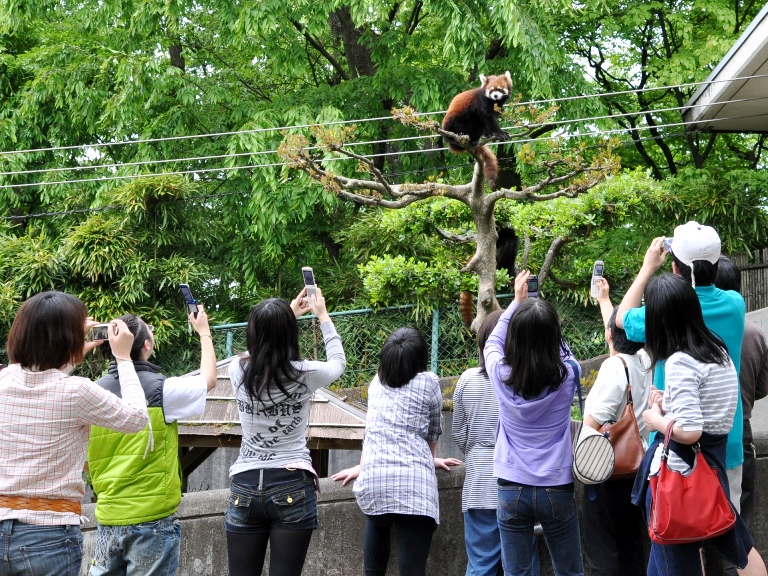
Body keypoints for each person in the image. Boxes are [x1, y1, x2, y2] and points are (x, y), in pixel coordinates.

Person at [0, 291, 150, 576]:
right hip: (48, 533)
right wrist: (124, 359)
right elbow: (137, 419)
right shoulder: (76, 391)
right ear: (68, 339)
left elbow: (42, 380)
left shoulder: (2, 379)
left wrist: (68, 356)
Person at [630, 273, 766, 576]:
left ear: (660, 319)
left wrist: (656, 418)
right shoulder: (716, 348)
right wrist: (669, 400)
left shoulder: (679, 360)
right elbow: (711, 405)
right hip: (712, 465)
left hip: (681, 473)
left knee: (674, 559)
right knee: (739, 547)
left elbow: (690, 432)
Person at [616, 223, 746, 512]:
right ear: (715, 264)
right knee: (730, 529)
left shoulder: (662, 313)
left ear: (675, 269)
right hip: (727, 438)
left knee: (680, 532)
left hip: (673, 439)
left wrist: (647, 268)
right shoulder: (736, 305)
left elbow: (620, 319)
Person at [225, 287, 346, 576]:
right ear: (291, 334)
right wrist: (322, 315)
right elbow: (338, 363)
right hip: (292, 481)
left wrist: (285, 317)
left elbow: (257, 351)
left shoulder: (236, 369)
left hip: (245, 482)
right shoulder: (305, 372)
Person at [87, 308, 217, 576]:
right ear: (146, 345)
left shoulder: (91, 393)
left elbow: (86, 461)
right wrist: (203, 332)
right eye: (151, 331)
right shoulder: (163, 389)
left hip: (108, 515)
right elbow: (209, 380)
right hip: (152, 519)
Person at [332, 327, 462, 576]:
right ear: (420, 358)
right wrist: (429, 459)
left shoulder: (375, 384)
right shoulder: (429, 383)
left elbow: (372, 432)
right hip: (414, 487)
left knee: (377, 518)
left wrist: (363, 466)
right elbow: (434, 431)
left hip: (373, 481)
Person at [483, 270, 585, 576]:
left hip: (510, 486)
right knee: (569, 571)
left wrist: (516, 303)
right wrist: (542, 318)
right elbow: (563, 351)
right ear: (554, 336)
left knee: (517, 573)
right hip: (556, 485)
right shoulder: (569, 375)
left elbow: (493, 341)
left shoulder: (500, 374)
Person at [581, 278, 651, 576]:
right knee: (634, 548)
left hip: (609, 476)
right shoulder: (647, 361)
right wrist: (604, 300)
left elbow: (591, 424)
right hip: (640, 471)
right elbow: (618, 337)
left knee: (603, 553)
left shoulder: (613, 367)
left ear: (610, 334)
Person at [714, 256, 768, 529]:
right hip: (741, 429)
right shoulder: (755, 333)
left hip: (699, 435)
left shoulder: (697, 329)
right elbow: (762, 387)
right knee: (739, 524)